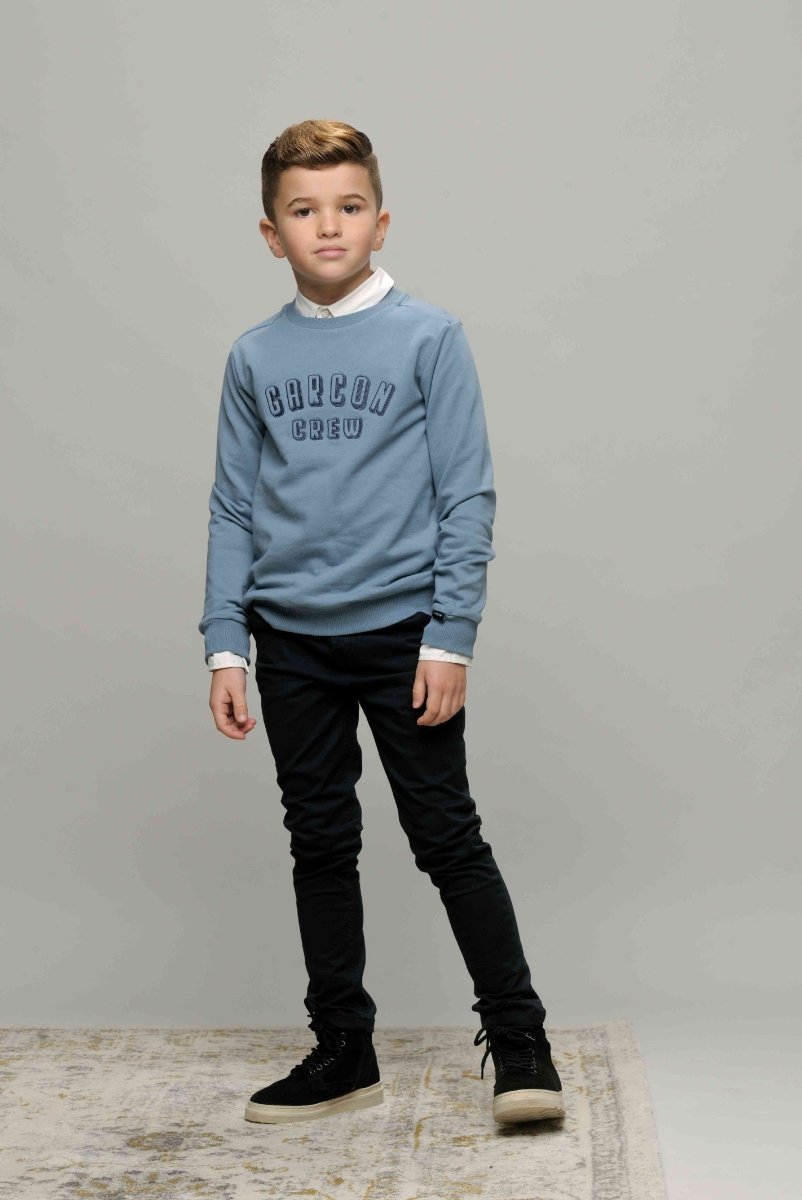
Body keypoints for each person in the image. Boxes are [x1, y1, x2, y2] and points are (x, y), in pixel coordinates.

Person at [198, 118, 564, 1128]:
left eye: (348, 206)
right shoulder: (254, 356)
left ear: (381, 221)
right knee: (320, 843)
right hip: (290, 643)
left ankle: (521, 1042)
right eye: (304, 210)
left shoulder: (428, 337)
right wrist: (226, 642)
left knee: (446, 836)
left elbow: (466, 495)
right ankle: (342, 1049)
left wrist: (450, 636)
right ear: (271, 233)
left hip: (405, 636)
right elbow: (232, 507)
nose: (329, 226)